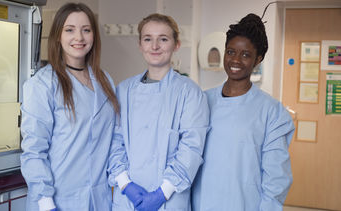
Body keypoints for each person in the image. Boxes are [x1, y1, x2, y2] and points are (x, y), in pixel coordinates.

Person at [20, 3, 118, 211]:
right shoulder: (43, 84)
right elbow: (34, 151)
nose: (79, 38)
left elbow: (113, 140)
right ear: (58, 36)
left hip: (98, 199)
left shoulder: (105, 80)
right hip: (58, 200)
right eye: (70, 30)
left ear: (94, 35)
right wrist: (46, 203)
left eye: (86, 30)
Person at [191, 13, 295, 211]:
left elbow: (277, 178)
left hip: (244, 203)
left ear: (258, 59)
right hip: (201, 202)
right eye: (231, 52)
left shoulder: (272, 112)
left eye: (245, 54)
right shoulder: (201, 101)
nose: (235, 60)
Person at [107, 13, 209, 211]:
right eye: (148, 39)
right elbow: (113, 141)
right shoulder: (123, 90)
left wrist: (162, 193)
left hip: (169, 200)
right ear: (140, 45)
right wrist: (125, 184)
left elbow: (191, 149)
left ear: (176, 44)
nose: (155, 46)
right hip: (127, 200)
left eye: (163, 39)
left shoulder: (190, 92)